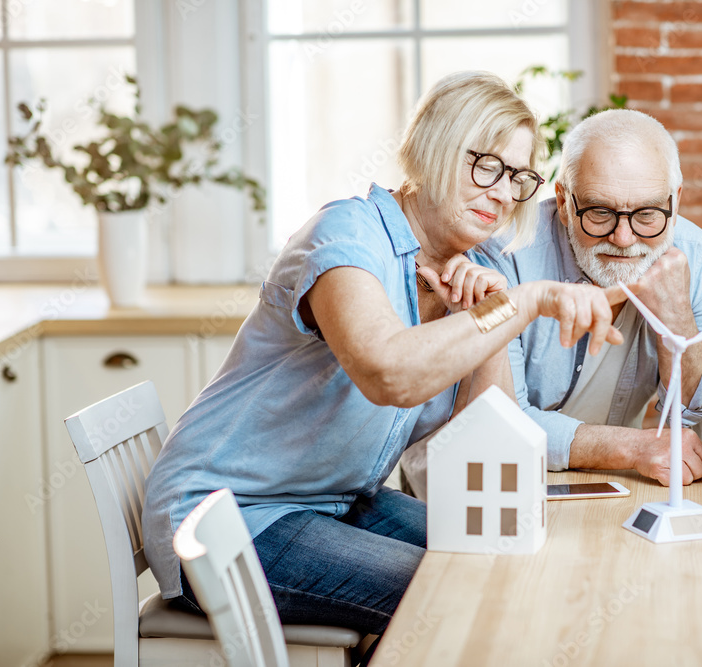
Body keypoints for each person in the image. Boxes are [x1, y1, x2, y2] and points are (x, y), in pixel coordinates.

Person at [142, 71, 626, 641]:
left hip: (340, 501)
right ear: (434, 149)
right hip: (234, 519)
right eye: (487, 166)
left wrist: (489, 313)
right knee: (464, 591)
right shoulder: (346, 234)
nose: (502, 192)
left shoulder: (469, 267)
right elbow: (388, 373)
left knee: (506, 553)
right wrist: (523, 304)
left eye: (518, 177)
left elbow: (488, 431)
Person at [401, 108, 702, 499]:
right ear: (564, 200)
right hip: (476, 488)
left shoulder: (693, 252)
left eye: (647, 214)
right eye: (600, 212)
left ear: (676, 200)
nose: (624, 238)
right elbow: (506, 423)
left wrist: (678, 322)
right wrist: (632, 447)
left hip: (604, 484)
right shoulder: (501, 255)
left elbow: (697, 414)